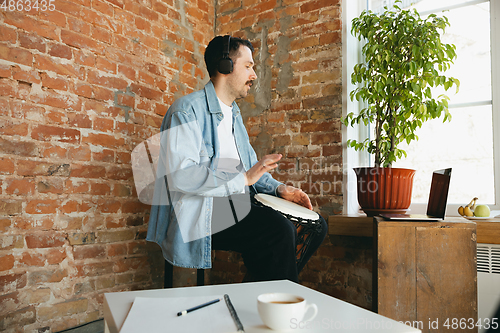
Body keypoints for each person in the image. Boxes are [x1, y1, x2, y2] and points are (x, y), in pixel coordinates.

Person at [146, 35, 327, 283]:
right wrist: (243, 178)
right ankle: (282, 307)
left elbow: (253, 171)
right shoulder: (186, 110)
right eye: (248, 66)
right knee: (277, 230)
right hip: (199, 212)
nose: (254, 75)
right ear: (225, 66)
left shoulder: (235, 116)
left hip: (236, 204)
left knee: (316, 226)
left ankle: (258, 291)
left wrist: (281, 188)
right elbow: (182, 177)